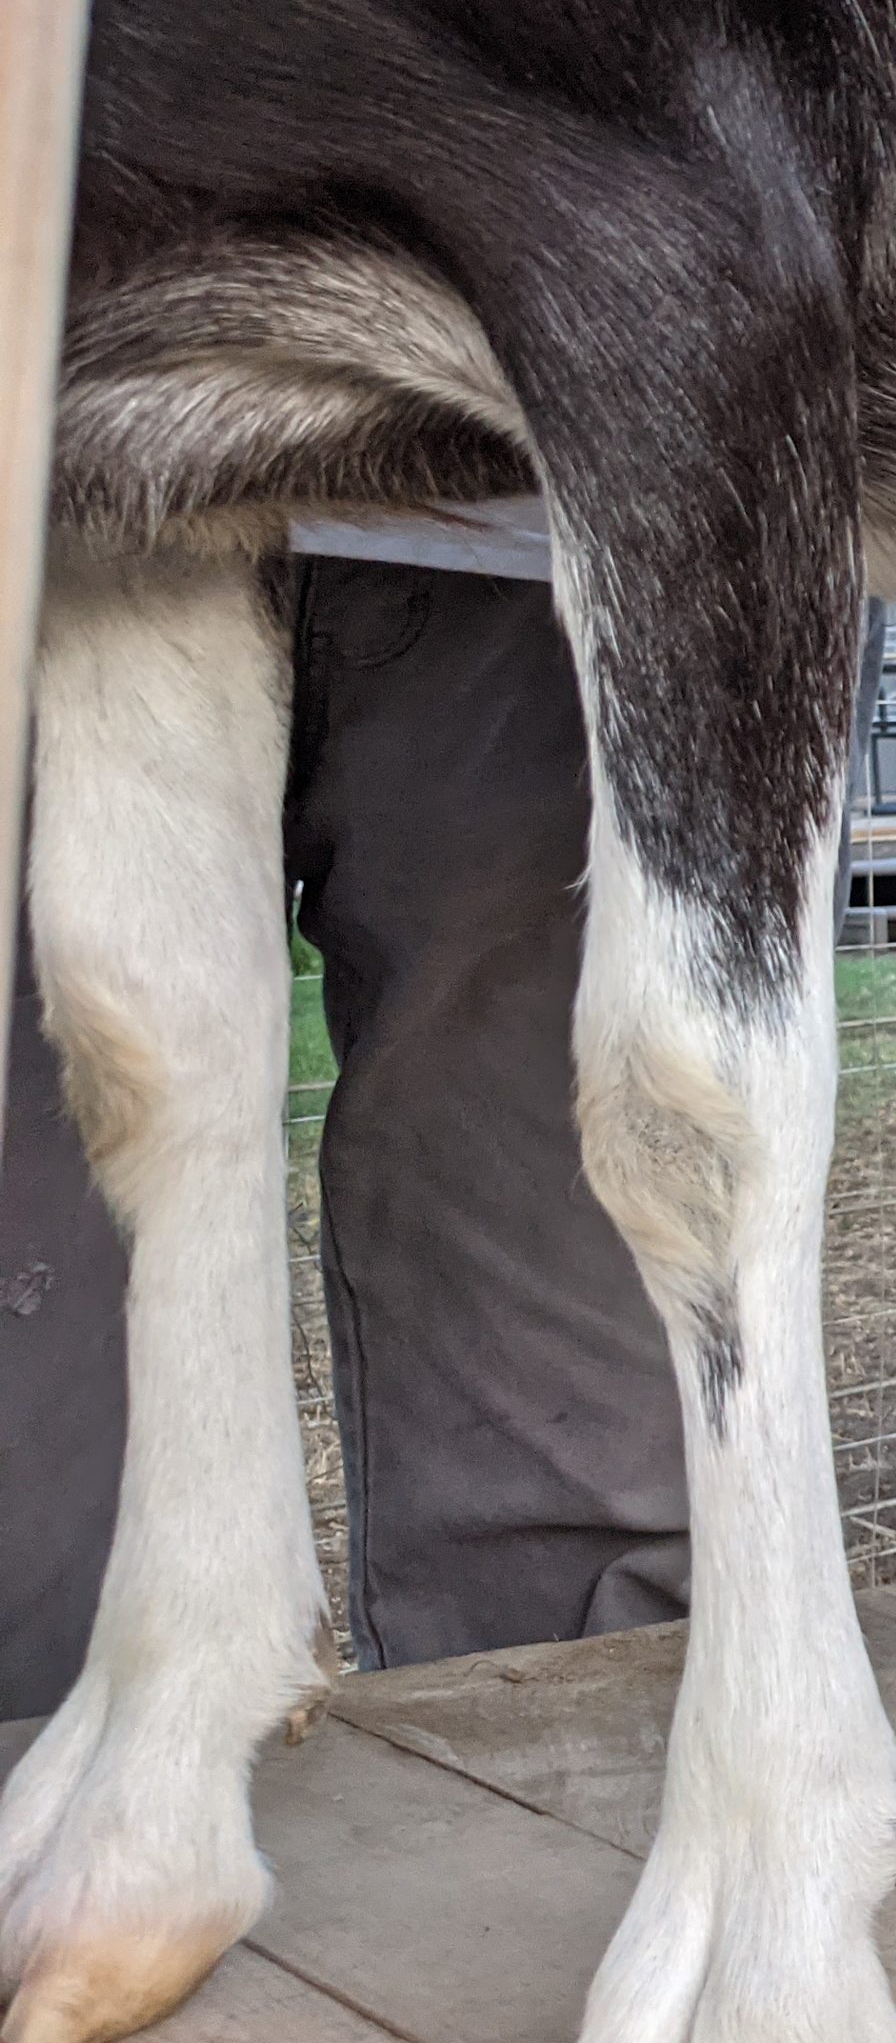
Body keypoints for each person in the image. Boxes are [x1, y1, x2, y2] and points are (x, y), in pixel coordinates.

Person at [0, 512, 690, 1719]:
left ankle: (545, 1824)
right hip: (57, 490)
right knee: (27, 1445)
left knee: (570, 1400)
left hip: (522, 509)